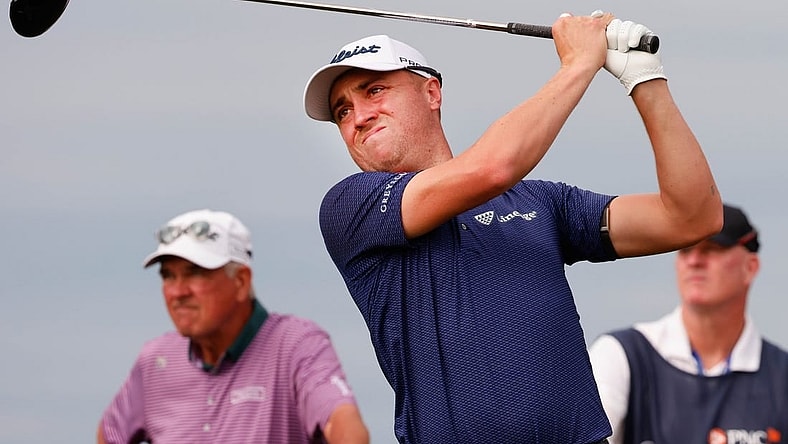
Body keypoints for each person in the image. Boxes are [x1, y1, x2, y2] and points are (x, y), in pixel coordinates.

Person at [301, 9, 723, 444]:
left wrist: (645, 79)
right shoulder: (351, 207)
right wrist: (579, 63)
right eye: (342, 111)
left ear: (431, 92)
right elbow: (493, 168)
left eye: (374, 91)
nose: (359, 116)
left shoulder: (539, 202)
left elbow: (692, 217)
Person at [97, 209, 370, 444]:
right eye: (168, 276)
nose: (177, 292)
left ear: (241, 281)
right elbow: (110, 433)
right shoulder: (156, 361)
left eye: (195, 274)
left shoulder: (296, 344)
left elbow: (344, 426)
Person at [588, 204, 788, 443]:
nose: (694, 261)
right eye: (685, 250)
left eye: (712, 249)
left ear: (750, 267)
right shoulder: (621, 354)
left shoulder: (781, 375)